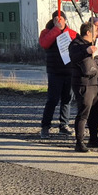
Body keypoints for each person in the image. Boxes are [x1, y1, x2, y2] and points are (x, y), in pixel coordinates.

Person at [68, 22, 98, 152]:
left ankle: (94, 138)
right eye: (95, 31)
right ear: (88, 32)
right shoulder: (75, 44)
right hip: (83, 83)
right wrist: (86, 51)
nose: (97, 33)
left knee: (95, 113)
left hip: (97, 82)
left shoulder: (94, 44)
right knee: (83, 112)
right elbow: (74, 57)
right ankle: (79, 142)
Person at [39, 10, 76, 138]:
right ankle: (45, 126)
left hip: (69, 71)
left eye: (60, 19)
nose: (58, 21)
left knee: (67, 99)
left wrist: (62, 30)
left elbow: (75, 42)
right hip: (54, 71)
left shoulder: (71, 32)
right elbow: (44, 43)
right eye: (56, 19)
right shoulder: (46, 32)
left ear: (65, 20)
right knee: (52, 100)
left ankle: (64, 125)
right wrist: (56, 30)